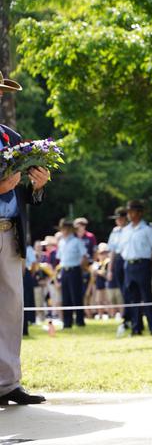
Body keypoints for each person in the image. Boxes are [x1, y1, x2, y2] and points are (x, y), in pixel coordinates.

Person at [0, 70, 51, 405]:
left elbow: (30, 200)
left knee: (11, 307)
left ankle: (7, 383)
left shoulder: (10, 137)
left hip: (8, 234)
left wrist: (38, 185)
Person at [119, 200, 152, 336]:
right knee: (132, 298)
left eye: (132, 211)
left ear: (140, 213)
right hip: (129, 265)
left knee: (147, 296)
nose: (130, 215)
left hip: (143, 264)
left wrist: (151, 264)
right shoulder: (125, 230)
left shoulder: (147, 229)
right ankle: (136, 328)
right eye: (128, 212)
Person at [57, 218, 88, 328]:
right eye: (62, 228)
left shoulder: (77, 241)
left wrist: (79, 267)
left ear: (70, 229)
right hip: (64, 270)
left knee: (76, 296)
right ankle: (67, 322)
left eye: (66, 228)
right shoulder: (61, 242)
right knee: (66, 297)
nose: (64, 231)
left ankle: (80, 321)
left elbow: (84, 256)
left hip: (75, 270)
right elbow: (60, 258)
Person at [107, 206, 129, 327]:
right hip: (118, 261)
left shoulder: (130, 230)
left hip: (127, 258)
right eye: (117, 219)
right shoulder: (115, 231)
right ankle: (125, 316)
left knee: (128, 289)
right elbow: (112, 251)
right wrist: (110, 269)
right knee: (122, 290)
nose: (118, 221)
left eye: (120, 218)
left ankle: (130, 315)